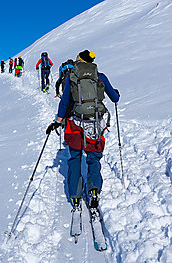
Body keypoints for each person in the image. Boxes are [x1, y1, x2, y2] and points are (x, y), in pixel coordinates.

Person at [46, 50, 120, 211]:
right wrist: (116, 94)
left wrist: (57, 122)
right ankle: (94, 190)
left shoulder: (72, 77)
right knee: (93, 158)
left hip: (75, 123)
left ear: (80, 61)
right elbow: (114, 98)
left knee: (75, 158)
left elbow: (64, 103)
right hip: (95, 123)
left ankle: (75, 196)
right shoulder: (100, 76)